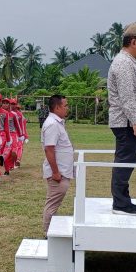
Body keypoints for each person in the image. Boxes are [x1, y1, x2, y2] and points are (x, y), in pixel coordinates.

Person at [107, 22, 136, 216]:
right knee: (125, 162)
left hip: (128, 122)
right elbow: (127, 97)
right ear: (133, 41)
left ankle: (123, 200)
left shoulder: (128, 62)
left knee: (126, 162)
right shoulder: (124, 63)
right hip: (127, 123)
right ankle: (120, 203)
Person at [41, 94, 74, 235]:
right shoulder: (52, 124)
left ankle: (50, 234)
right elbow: (49, 149)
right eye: (65, 105)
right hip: (58, 173)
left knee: (54, 205)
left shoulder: (57, 122)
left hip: (62, 171)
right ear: (57, 107)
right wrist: (55, 172)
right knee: (52, 206)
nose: (67, 108)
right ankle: (48, 235)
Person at [0, 98, 22, 175]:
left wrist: (20, 135)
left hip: (12, 134)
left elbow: (18, 125)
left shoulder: (13, 114)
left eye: (7, 103)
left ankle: (15, 161)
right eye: (4, 103)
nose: (5, 104)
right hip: (3, 135)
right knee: (5, 153)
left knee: (12, 152)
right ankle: (7, 170)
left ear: (9, 105)